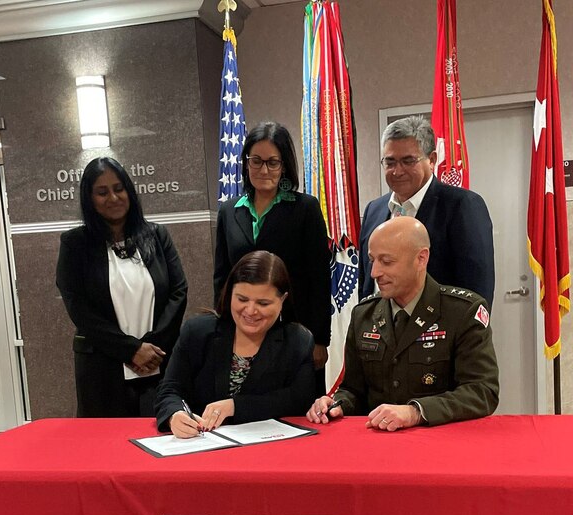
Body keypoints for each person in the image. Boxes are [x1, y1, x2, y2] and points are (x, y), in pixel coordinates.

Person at [308, 217, 498, 430]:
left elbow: (482, 391)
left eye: (387, 262)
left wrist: (416, 412)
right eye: (372, 260)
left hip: (441, 443)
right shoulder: (364, 314)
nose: (374, 273)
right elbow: (354, 389)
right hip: (379, 443)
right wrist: (336, 404)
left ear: (421, 259)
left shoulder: (462, 311)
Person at [56, 157, 188, 417]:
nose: (113, 197)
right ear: (89, 198)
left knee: (161, 440)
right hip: (102, 369)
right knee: (106, 448)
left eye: (119, 188)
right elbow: (78, 307)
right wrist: (131, 350)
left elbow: (178, 291)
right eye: (102, 192)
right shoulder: (75, 245)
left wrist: (151, 349)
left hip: (158, 362)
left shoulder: (157, 236)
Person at [157, 251, 318, 438]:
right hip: (202, 446)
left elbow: (299, 399)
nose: (250, 311)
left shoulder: (298, 341)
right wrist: (174, 414)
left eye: (263, 303)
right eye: (242, 299)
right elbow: (169, 389)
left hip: (269, 448)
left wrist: (235, 406)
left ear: (282, 300)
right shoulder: (197, 332)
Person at [215, 122, 332, 370]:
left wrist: (320, 339)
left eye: (273, 162)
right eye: (256, 160)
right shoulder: (228, 211)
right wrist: (223, 329)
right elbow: (222, 277)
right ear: (246, 163)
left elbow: (319, 278)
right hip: (244, 330)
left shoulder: (305, 208)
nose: (263, 169)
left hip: (295, 330)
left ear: (284, 165)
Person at [358, 116, 495, 309]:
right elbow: (366, 284)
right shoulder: (374, 210)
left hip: (439, 335)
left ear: (431, 160)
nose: (397, 171)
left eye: (408, 161)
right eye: (390, 163)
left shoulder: (462, 206)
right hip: (380, 334)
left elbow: (477, 291)